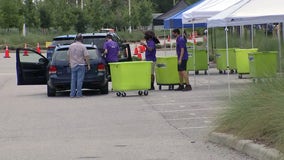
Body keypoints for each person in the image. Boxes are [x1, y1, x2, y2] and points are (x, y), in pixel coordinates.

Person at [68, 33, 91, 98]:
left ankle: (72, 94)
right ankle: (79, 94)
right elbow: (87, 56)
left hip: (73, 65)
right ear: (81, 39)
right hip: (81, 64)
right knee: (79, 80)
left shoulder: (71, 46)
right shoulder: (83, 46)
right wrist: (88, 64)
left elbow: (68, 55)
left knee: (73, 80)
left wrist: (69, 62)